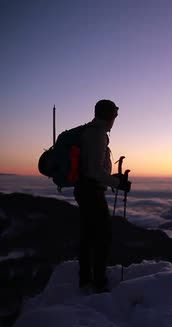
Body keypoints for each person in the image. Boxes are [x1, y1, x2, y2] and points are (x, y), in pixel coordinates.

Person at [74, 99, 131, 292]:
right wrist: (117, 183)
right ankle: (98, 282)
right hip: (91, 191)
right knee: (102, 237)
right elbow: (93, 171)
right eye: (114, 115)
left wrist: (112, 179)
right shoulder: (97, 134)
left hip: (85, 189)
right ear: (109, 116)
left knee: (88, 235)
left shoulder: (91, 131)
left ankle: (85, 279)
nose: (115, 119)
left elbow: (92, 168)